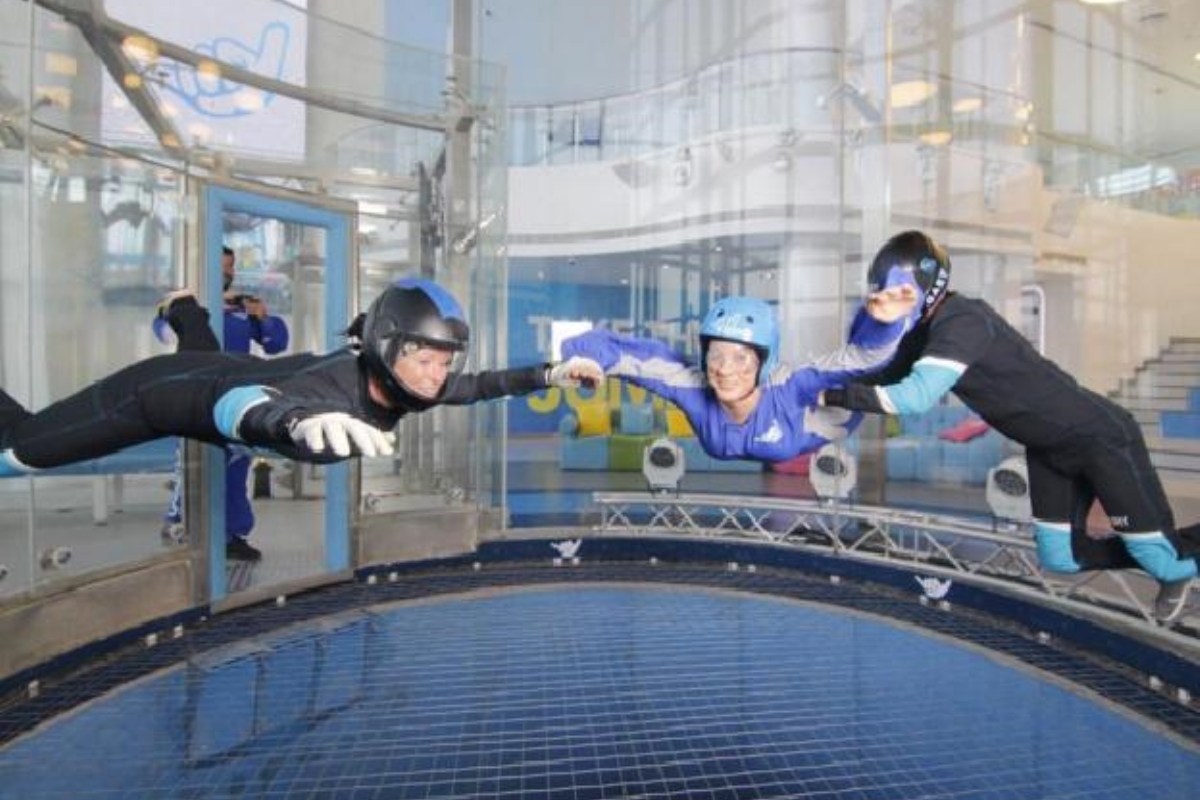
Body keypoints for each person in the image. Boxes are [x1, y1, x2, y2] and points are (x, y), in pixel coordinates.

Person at [819, 230, 1200, 623]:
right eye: (883, 293)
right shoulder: (922, 335)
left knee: (1162, 561)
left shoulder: (963, 320)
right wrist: (808, 386)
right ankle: (1162, 552)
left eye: (898, 292)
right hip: (1048, 450)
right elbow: (878, 377)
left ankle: (1172, 565)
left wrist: (832, 398)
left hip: (1099, 438)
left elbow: (914, 398)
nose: (888, 303)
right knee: (1062, 558)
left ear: (927, 288)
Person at [1, 278, 602, 497]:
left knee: (213, 359)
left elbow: (482, 385)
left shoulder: (416, 384)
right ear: (390, 347)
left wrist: (550, 374)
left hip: (224, 369)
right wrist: (291, 423)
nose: (438, 374)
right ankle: (185, 312)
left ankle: (185, 307)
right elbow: (242, 406)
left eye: (446, 360)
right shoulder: (332, 388)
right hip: (159, 396)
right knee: (18, 449)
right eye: (426, 358)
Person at [559, 288, 919, 464]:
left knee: (877, 363)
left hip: (839, 405)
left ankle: (897, 315)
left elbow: (861, 358)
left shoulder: (789, 386)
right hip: (804, 413)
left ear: (765, 362)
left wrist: (884, 323)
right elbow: (631, 354)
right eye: (716, 355)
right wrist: (583, 357)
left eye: (742, 358)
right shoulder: (694, 385)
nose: (726, 370)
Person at [157, 246, 292, 561]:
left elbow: (276, 345)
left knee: (235, 466)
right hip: (194, 397)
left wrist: (265, 319)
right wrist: (197, 310)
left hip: (234, 399)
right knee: (191, 465)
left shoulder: (242, 308)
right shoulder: (182, 305)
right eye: (220, 267)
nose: (227, 273)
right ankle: (181, 529)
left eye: (230, 267)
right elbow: (164, 334)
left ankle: (232, 535)